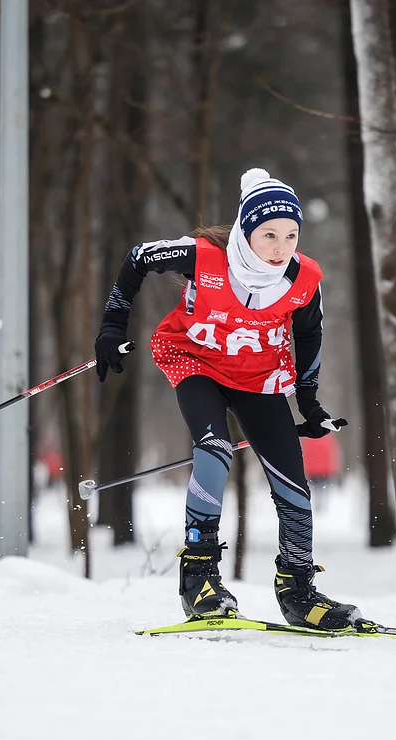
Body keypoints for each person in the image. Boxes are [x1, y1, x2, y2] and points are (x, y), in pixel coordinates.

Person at [94, 168, 361, 631]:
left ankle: (298, 590)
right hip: (195, 363)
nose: (281, 247)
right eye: (269, 234)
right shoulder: (203, 258)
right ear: (246, 230)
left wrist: (310, 402)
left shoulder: (303, 277)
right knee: (214, 450)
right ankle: (198, 578)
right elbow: (137, 258)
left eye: (291, 235)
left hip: (258, 377)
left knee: (292, 479)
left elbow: (310, 333)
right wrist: (112, 327)